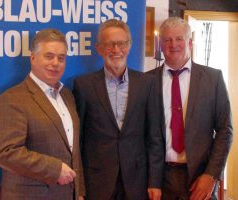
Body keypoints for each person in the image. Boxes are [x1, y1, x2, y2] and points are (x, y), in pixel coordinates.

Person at [73, 19, 164, 200]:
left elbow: (154, 136)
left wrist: (155, 181)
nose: (116, 50)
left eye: (121, 43)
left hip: (137, 181)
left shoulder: (147, 83)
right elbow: (79, 140)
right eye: (109, 44)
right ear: (99, 48)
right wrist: (80, 186)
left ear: (129, 46)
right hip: (97, 181)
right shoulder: (83, 86)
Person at [0, 29, 85, 200]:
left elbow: (73, 150)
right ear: (33, 58)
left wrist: (78, 191)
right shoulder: (12, 99)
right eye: (49, 56)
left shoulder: (67, 96)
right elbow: (5, 152)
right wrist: (54, 169)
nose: (56, 63)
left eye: (61, 58)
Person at [147, 17, 233, 200]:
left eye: (179, 39)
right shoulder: (147, 81)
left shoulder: (212, 79)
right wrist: (151, 180)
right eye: (167, 39)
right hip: (161, 181)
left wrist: (211, 175)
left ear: (190, 42)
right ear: (161, 45)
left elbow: (225, 130)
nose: (173, 44)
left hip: (200, 178)